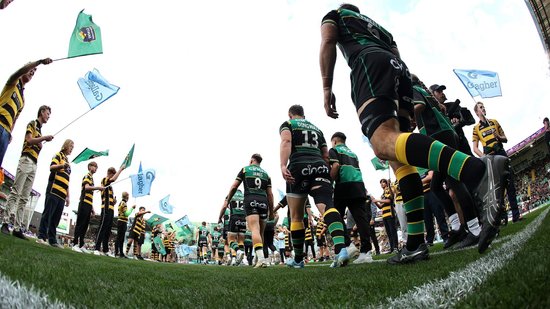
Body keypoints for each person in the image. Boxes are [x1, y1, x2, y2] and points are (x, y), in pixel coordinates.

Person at [319, 3, 510, 259]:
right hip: (398, 70)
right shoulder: (378, 27)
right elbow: (397, 54)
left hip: (368, 64)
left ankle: (477, 171)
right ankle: (415, 243)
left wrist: (326, 88)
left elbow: (329, 38)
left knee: (383, 144)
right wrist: (405, 98)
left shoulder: (337, 15)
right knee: (400, 159)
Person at [413, 75, 481, 249]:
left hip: (439, 136)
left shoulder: (414, 89)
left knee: (454, 181)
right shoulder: (425, 91)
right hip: (444, 134)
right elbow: (441, 108)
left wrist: (408, 119)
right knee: (436, 186)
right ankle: (458, 228)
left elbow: (418, 106)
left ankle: (475, 229)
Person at [279, 104, 349, 268]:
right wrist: (324, 175)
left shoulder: (288, 124)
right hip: (320, 166)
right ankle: (341, 249)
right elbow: (326, 155)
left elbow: (286, 140)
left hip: (298, 166)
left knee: (296, 216)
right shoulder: (317, 129)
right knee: (327, 206)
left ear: (290, 115)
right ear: (303, 115)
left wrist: (283, 165)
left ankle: (298, 260)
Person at [1, 105, 54, 238]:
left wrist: (41, 141)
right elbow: (29, 140)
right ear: (42, 112)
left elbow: (37, 144)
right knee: (16, 191)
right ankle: (5, 222)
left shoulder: (40, 131)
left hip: (34, 163)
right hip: (26, 160)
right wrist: (42, 139)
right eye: (47, 113)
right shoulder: (32, 123)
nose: (48, 116)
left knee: (24, 197)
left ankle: (18, 227)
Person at [223, 153, 274, 268]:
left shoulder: (245, 170)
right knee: (261, 233)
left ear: (251, 160)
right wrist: (271, 210)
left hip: (251, 199)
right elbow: (270, 194)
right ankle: (259, 258)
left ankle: (261, 259)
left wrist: (228, 199)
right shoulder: (266, 174)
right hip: (263, 201)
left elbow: (234, 187)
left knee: (254, 229)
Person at [472, 102, 521, 223]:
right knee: (497, 188)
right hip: (490, 157)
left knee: (510, 184)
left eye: (484, 107)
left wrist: (498, 137)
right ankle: (503, 217)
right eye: (481, 107)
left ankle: (516, 215)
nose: (483, 108)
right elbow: (475, 148)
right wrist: (484, 157)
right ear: (477, 112)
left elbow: (505, 138)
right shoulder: (476, 128)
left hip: (501, 153)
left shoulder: (494, 122)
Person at [328, 131, 373, 263]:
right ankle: (366, 252)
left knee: (335, 216)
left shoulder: (334, 150)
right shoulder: (353, 153)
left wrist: (331, 181)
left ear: (334, 141)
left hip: (343, 186)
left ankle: (348, 245)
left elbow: (335, 165)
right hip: (359, 185)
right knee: (361, 219)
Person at [0, 58, 53, 167]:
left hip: (6, 133)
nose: (32, 72)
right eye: (31, 69)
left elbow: (15, 119)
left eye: (34, 72)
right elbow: (20, 71)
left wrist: (10, 133)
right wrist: (39, 62)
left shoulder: (23, 100)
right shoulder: (13, 82)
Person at [37, 139, 74, 247]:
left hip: (62, 194)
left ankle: (52, 240)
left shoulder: (68, 161)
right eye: (71, 146)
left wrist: (68, 196)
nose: (72, 149)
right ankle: (41, 236)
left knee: (56, 218)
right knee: (48, 213)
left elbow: (67, 179)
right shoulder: (58, 155)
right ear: (66, 145)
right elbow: (52, 167)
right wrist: (62, 166)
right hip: (54, 189)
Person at [429, 84, 474, 156]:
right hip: (444, 151)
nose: (442, 93)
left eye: (442, 91)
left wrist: (457, 117)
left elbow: (467, 118)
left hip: (462, 147)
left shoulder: (452, 105)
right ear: (431, 94)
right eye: (438, 91)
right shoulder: (430, 113)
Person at [71, 161, 104, 253]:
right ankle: (74, 243)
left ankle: (81, 244)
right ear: (89, 167)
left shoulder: (92, 178)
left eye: (96, 167)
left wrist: (92, 209)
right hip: (84, 202)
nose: (96, 168)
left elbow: (90, 194)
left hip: (89, 204)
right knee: (80, 224)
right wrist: (98, 187)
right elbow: (86, 188)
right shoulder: (87, 176)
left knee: (85, 225)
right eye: (94, 166)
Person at [94, 165, 125, 255]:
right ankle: (96, 248)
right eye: (113, 175)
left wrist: (114, 201)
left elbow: (111, 200)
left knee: (108, 230)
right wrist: (121, 169)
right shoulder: (104, 180)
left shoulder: (110, 187)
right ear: (109, 173)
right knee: (102, 227)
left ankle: (105, 250)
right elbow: (113, 179)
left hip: (111, 209)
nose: (113, 176)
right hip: (105, 208)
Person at [218, 189, 246, 266]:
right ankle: (241, 259)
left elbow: (224, 207)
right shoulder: (244, 196)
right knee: (240, 241)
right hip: (243, 219)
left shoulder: (230, 194)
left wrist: (219, 217)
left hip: (234, 218)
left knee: (229, 240)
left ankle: (237, 253)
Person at [372, 179, 398, 253]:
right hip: (384, 215)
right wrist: (375, 201)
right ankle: (392, 248)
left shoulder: (388, 190)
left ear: (386, 183)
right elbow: (380, 206)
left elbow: (389, 200)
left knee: (393, 231)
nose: (382, 184)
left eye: (383, 182)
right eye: (381, 183)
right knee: (389, 233)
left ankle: (396, 247)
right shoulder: (382, 194)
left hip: (390, 213)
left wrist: (377, 200)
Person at [114, 192, 135, 258]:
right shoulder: (124, 203)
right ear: (127, 197)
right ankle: (117, 253)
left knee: (120, 238)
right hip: (122, 222)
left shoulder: (121, 202)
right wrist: (132, 208)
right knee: (119, 238)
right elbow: (126, 214)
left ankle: (120, 253)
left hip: (121, 221)